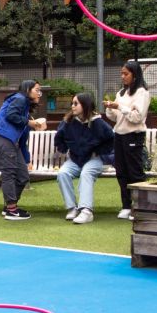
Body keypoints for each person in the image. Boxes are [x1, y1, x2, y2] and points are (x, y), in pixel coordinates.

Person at [0, 80, 47, 220]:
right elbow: (10, 115)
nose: (39, 94)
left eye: (40, 91)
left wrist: (27, 160)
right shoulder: (19, 98)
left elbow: (23, 139)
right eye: (37, 90)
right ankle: (12, 210)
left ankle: (9, 207)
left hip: (11, 142)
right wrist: (30, 122)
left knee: (23, 175)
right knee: (9, 173)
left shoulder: (24, 109)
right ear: (27, 89)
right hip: (2, 137)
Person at [55, 92, 115, 224]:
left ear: (85, 105)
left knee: (86, 173)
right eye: (72, 103)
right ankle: (72, 208)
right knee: (63, 173)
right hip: (75, 160)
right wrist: (64, 149)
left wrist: (99, 151)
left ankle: (86, 211)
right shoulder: (68, 122)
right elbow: (59, 137)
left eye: (76, 103)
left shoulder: (98, 122)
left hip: (94, 160)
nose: (72, 106)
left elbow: (111, 138)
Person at [103, 60, 150, 220]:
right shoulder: (121, 93)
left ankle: (139, 207)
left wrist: (120, 107)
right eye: (121, 73)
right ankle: (126, 206)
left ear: (134, 75)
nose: (122, 77)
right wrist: (110, 108)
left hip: (134, 136)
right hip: (119, 135)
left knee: (134, 172)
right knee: (121, 172)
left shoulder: (142, 93)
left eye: (126, 74)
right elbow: (116, 118)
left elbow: (137, 117)